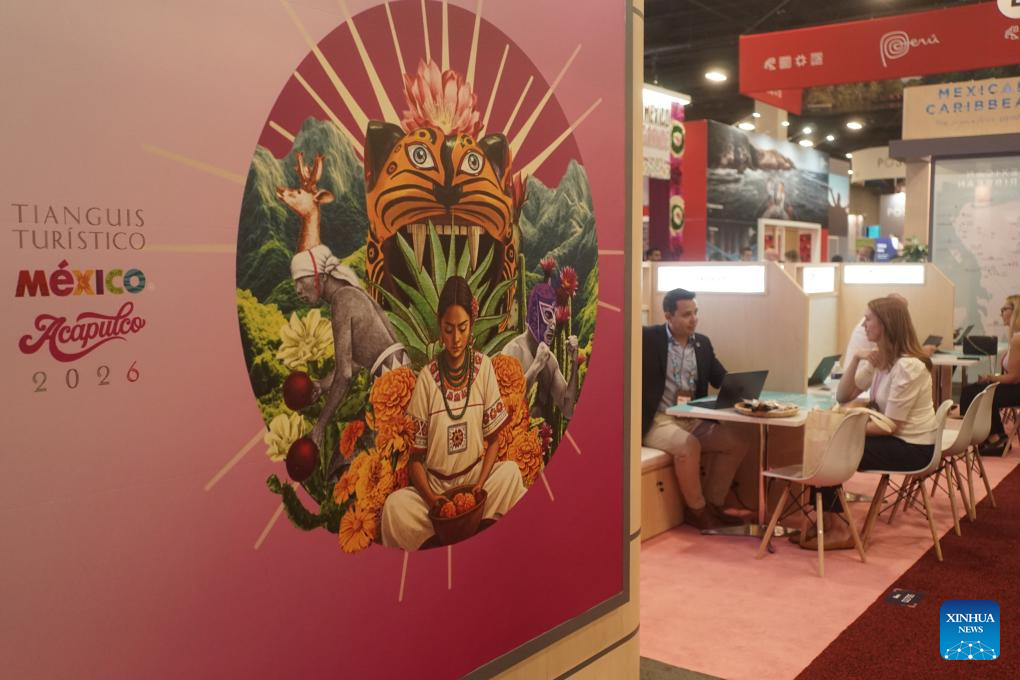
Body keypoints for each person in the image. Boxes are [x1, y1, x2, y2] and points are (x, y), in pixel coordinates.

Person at [380, 276, 526, 550]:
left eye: (462, 328)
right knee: (395, 508)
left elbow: (494, 440)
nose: (456, 339)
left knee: (510, 474)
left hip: (476, 483)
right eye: (449, 329)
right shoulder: (427, 379)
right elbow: (415, 461)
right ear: (439, 326)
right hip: (437, 491)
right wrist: (433, 500)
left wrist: (479, 486)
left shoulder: (484, 368)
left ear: (472, 325)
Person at [808, 297, 937, 550]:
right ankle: (826, 522)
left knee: (829, 450)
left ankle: (837, 528)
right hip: (896, 439)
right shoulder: (882, 359)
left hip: (912, 448)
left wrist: (843, 430)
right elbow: (843, 395)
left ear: (885, 324)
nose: (863, 325)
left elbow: (891, 426)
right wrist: (857, 359)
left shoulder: (908, 366)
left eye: (868, 319)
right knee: (826, 445)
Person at [641, 288, 752, 530]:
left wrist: (746, 391)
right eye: (686, 314)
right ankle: (697, 510)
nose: (694, 319)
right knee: (688, 446)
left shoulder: (702, 344)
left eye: (695, 312)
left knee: (737, 443)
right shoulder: (648, 339)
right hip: (658, 419)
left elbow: (720, 377)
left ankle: (713, 504)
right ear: (668, 316)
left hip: (691, 417)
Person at [290, 245, 409, 452]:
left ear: (321, 276)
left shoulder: (342, 300)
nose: (297, 289)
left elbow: (344, 375)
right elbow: (355, 361)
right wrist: (323, 385)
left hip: (391, 383)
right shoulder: (350, 294)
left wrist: (320, 426)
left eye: (301, 279)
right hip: (397, 374)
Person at [502, 282, 579, 419]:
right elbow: (506, 408)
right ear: (532, 316)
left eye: (554, 315)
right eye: (548, 314)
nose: (553, 323)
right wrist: (536, 365)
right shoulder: (513, 351)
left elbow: (568, 410)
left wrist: (574, 363)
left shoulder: (550, 362)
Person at [954, 295, 1020, 455]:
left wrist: (991, 377)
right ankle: (995, 436)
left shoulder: (1017, 340)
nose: (1001, 313)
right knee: (974, 390)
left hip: (1017, 389)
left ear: (1015, 312)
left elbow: (1013, 378)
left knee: (979, 393)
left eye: (1004, 309)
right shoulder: (1015, 338)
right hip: (1015, 387)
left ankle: (993, 437)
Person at [843, 294, 936, 373]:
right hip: (858, 372)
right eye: (901, 312)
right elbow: (898, 353)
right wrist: (921, 351)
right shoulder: (871, 327)